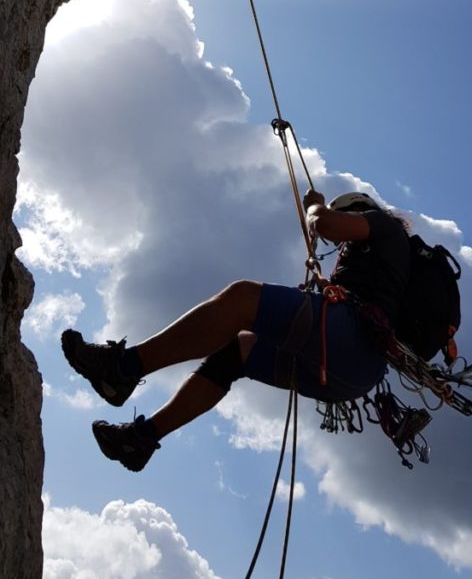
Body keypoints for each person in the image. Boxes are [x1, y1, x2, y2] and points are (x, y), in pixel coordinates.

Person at [61, 190, 411, 472]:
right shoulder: (384, 267)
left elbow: (328, 226)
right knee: (237, 352)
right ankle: (139, 441)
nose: (343, 249)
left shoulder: (383, 226)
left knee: (243, 298)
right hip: (353, 374)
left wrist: (316, 208)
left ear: (359, 210)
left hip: (345, 341)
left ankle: (122, 368)